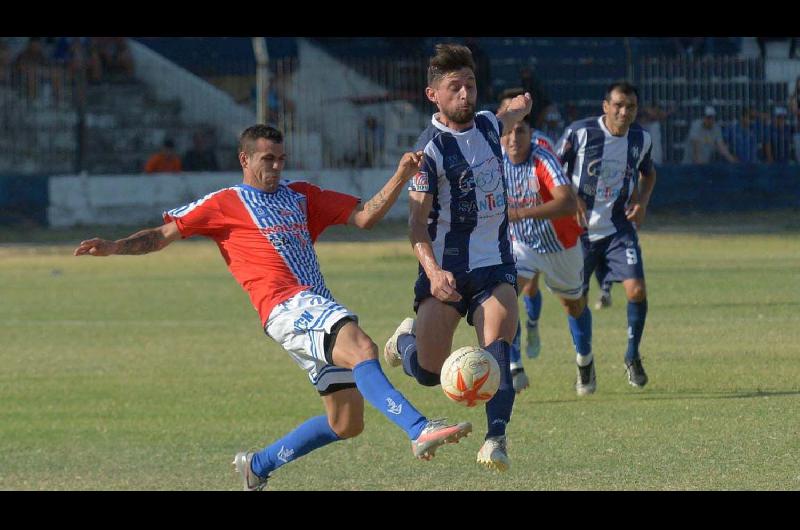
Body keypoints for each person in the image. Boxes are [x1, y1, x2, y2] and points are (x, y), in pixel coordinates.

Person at [74, 125, 473, 491]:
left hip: (314, 305)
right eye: (268, 159)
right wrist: (114, 246)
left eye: (281, 158)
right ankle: (419, 429)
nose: (277, 166)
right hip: (285, 307)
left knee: (345, 423)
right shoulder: (225, 202)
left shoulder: (302, 196)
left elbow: (365, 216)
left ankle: (257, 466)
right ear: (244, 159)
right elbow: (162, 235)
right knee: (363, 348)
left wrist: (401, 177)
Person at [383, 44, 532, 472]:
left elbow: (507, 115)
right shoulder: (428, 150)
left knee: (497, 348)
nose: (465, 94)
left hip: (495, 266)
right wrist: (431, 272)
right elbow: (415, 224)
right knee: (429, 373)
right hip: (446, 272)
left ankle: (495, 439)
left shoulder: (487, 125)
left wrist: (522, 105)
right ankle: (403, 342)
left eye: (470, 84)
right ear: (434, 95)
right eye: (455, 88)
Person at [556, 81, 657, 392]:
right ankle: (584, 362)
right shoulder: (580, 133)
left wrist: (640, 202)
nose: (624, 112)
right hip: (579, 232)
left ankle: (631, 355)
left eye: (631, 107)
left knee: (636, 290)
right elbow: (553, 169)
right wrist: (570, 199)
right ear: (606, 106)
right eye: (618, 105)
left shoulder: (641, 138)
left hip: (617, 228)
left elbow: (648, 172)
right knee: (575, 303)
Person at [495, 94, 589, 397]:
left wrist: (518, 212)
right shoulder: (491, 157)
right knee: (505, 297)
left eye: (520, 130)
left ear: (531, 133)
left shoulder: (542, 155)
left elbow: (566, 201)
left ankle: (584, 359)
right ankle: (514, 367)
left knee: (573, 305)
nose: (512, 137)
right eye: (508, 129)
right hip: (519, 242)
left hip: (559, 244)